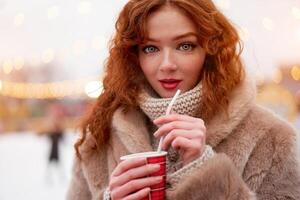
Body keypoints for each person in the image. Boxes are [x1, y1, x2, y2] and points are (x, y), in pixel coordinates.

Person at [67, 0, 300, 199]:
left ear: (210, 51)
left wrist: (208, 175)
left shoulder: (271, 139)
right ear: (133, 55)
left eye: (185, 46)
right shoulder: (99, 137)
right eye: (150, 48)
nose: (167, 64)